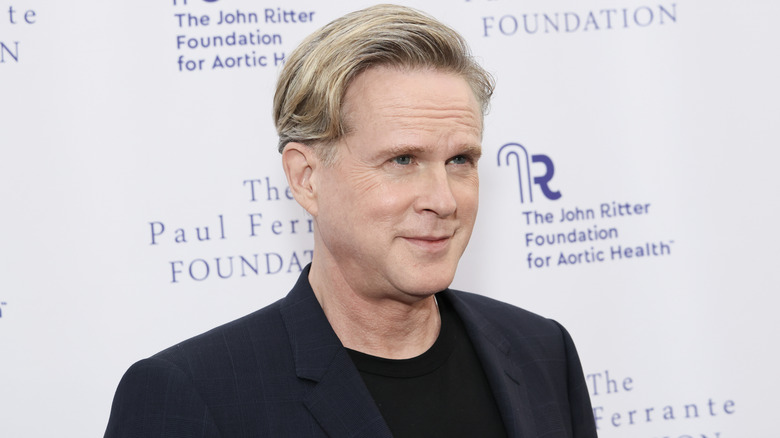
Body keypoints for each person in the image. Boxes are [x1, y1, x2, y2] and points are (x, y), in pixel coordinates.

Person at [104, 4, 597, 437]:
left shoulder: (542, 351)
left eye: (460, 160)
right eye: (402, 160)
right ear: (306, 178)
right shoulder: (194, 395)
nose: (443, 200)